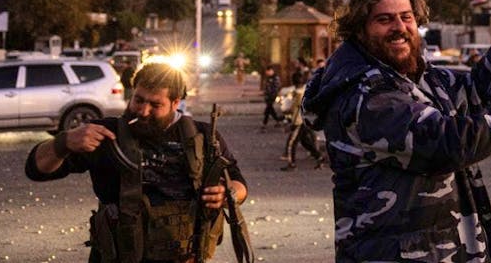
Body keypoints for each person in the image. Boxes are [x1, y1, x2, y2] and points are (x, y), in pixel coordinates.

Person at [302, 0, 491, 262]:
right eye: (384, 19)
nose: (399, 27)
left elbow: (474, 90)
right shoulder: (366, 96)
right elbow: (447, 145)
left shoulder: (414, 76)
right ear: (360, 29)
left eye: (406, 17)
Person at [25, 63, 249, 262]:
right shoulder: (104, 134)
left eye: (155, 104)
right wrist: (63, 143)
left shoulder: (203, 137)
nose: (143, 111)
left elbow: (239, 185)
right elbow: (36, 169)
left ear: (175, 103)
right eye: (138, 100)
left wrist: (226, 193)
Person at [280, 69, 326, 171]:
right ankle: (319, 157)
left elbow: (296, 110)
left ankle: (291, 164)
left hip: (299, 121)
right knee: (305, 141)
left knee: (292, 142)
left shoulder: (297, 94)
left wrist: (292, 122)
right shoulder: (306, 90)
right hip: (306, 119)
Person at [261, 63, 285, 131]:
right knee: (270, 110)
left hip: (272, 96)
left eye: (267, 71)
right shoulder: (269, 78)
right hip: (268, 96)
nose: (266, 73)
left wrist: (272, 94)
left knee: (268, 110)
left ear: (271, 70)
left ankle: (264, 123)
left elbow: (276, 88)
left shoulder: (275, 78)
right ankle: (278, 120)